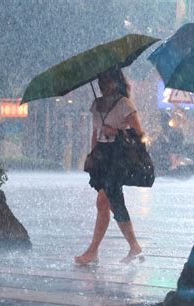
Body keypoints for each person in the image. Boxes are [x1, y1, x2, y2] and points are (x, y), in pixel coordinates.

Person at [75, 67, 145, 265]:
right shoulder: (96, 105)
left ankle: (92, 251)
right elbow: (95, 131)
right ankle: (134, 247)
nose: (102, 84)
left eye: (106, 80)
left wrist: (115, 131)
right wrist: (92, 154)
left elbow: (139, 135)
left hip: (119, 156)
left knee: (104, 200)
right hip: (102, 156)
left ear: (116, 81)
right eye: (100, 80)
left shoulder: (124, 104)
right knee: (109, 202)